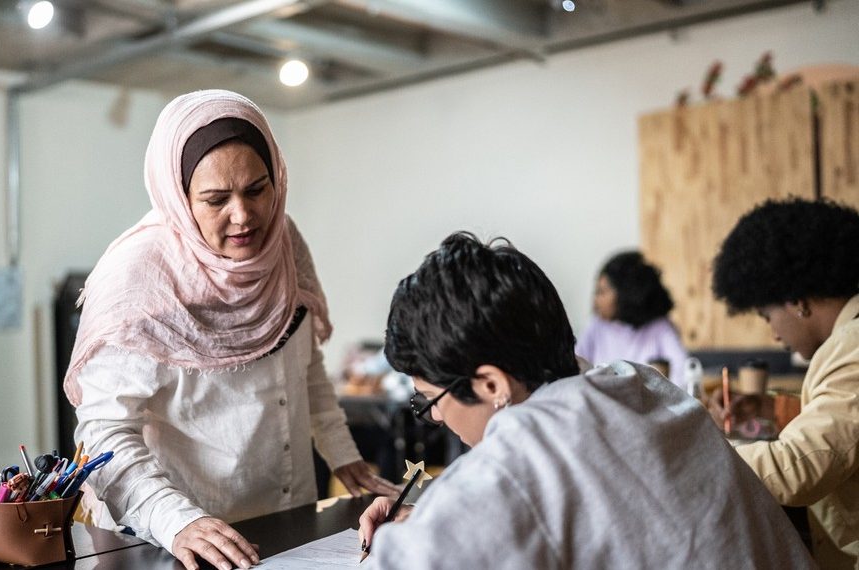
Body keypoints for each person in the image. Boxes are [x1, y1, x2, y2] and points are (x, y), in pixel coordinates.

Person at [62, 90, 396, 570]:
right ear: (179, 198)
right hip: (178, 539)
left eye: (258, 189)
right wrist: (175, 519)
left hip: (288, 523)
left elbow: (306, 366)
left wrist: (345, 456)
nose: (244, 216)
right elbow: (105, 434)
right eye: (216, 200)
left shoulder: (283, 244)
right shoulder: (138, 280)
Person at [358, 232, 813, 569]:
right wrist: (444, 519)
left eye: (428, 399)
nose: (434, 416)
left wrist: (439, 524)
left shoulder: (521, 455)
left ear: (492, 385)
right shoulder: (640, 384)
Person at [709, 198, 859, 568]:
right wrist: (770, 408)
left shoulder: (854, 346)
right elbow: (844, 422)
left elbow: (799, 467)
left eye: (767, 315)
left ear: (796, 300)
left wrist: (696, 453)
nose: (774, 334)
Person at [576, 250, 688, 389]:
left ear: (625, 293)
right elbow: (575, 370)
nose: (596, 300)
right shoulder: (596, 327)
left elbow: (682, 372)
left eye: (602, 292)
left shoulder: (660, 327)